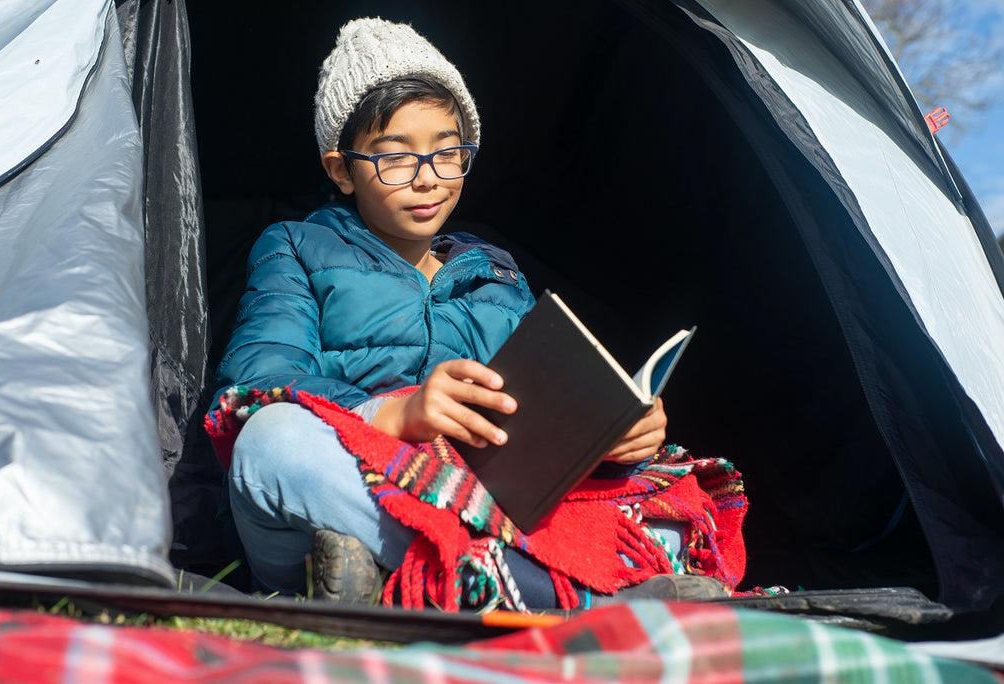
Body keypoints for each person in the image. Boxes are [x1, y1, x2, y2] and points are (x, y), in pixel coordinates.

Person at [206, 17, 745, 611]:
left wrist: (616, 433)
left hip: (480, 495)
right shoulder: (295, 246)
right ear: (341, 170)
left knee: (673, 493)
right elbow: (257, 380)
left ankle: (398, 587)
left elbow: (538, 410)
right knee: (269, 441)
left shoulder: (495, 268)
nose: (428, 179)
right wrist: (396, 414)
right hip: (363, 478)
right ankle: (571, 596)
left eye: (447, 154)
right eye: (395, 159)